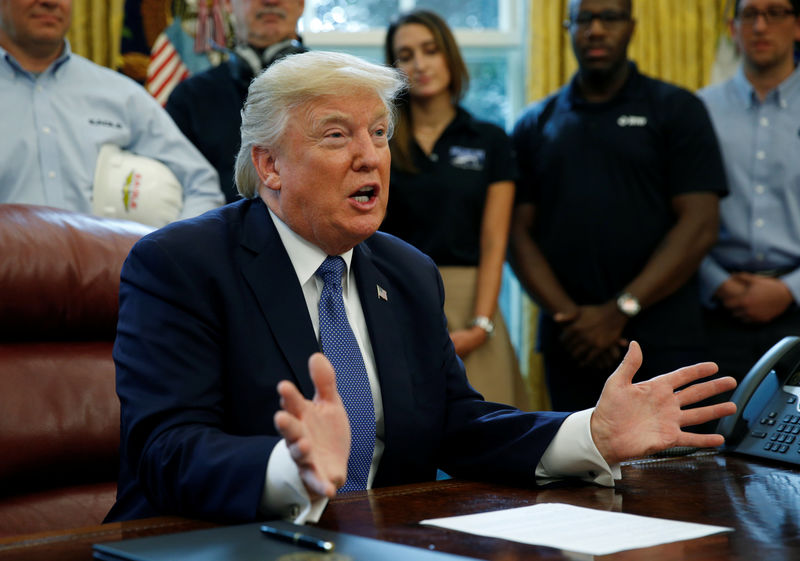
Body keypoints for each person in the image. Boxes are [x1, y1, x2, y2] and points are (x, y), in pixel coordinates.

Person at [105, 50, 737, 526]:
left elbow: (455, 425)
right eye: (337, 135)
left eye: (380, 134)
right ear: (269, 164)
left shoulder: (405, 272)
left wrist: (586, 434)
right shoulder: (179, 264)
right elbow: (167, 450)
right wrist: (288, 468)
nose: (371, 157)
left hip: (379, 540)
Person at [509, 0, 728, 412]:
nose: (595, 30)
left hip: (662, 339)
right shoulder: (535, 123)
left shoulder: (677, 109)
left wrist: (618, 310)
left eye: (609, 18)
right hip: (571, 343)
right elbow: (516, 234)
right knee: (575, 474)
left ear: (631, 27)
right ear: (567, 28)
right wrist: (575, 319)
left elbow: (699, 224)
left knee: (674, 472)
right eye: (584, 19)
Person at [380, 10, 527, 409]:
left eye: (430, 50)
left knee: (493, 437)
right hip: (395, 299)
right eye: (405, 55)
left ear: (450, 57)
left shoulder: (490, 140)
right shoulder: (379, 140)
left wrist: (480, 326)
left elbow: (496, 239)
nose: (420, 64)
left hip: (471, 303)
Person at [0, 0, 224, 221]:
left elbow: (201, 184)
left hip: (108, 257)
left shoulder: (121, 95)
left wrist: (167, 251)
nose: (50, 3)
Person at [697, 0, 800, 388]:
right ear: (731, 28)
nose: (760, 26)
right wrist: (716, 283)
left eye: (774, 13)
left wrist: (790, 289)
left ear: (797, 25)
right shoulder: (698, 109)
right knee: (710, 440)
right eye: (749, 15)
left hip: (796, 309)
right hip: (714, 311)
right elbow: (679, 216)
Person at [166, 0, 306, 203]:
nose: (271, 2)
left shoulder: (338, 89)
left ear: (301, 4)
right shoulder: (190, 96)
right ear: (229, 4)